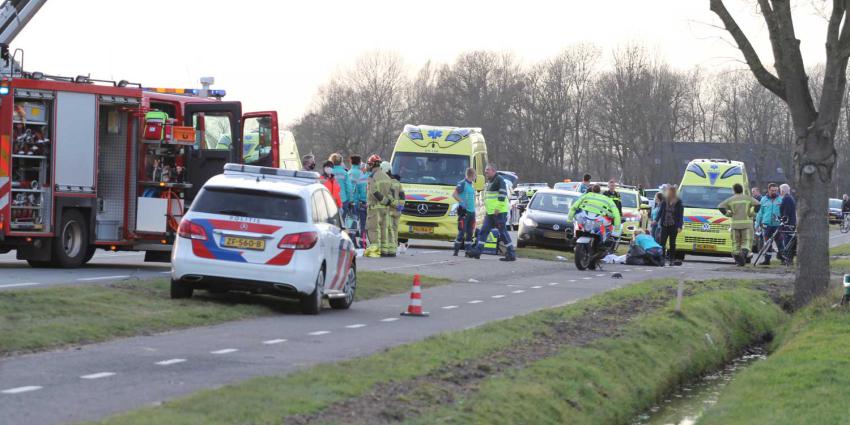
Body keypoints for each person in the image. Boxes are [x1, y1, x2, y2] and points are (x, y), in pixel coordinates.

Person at [469, 164, 515, 261]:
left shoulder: (499, 179)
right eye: (485, 170)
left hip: (499, 212)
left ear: (493, 171)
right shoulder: (490, 181)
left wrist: (497, 208)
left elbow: (503, 194)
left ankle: (511, 254)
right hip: (490, 213)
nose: (486, 172)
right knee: (483, 231)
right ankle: (477, 251)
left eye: (488, 170)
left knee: (503, 233)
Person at [567, 184, 622, 249]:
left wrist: (569, 220)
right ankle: (605, 242)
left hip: (584, 219)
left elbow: (573, 207)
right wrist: (617, 228)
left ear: (592, 190)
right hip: (599, 221)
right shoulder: (607, 199)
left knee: (578, 223)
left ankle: (574, 236)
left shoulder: (586, 196)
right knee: (607, 227)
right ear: (600, 191)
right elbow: (616, 214)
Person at [719, 183, 760, 266]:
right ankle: (743, 254)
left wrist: (728, 214)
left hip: (735, 225)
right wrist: (753, 213)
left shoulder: (731, 199)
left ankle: (739, 261)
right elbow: (758, 204)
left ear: (734, 190)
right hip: (747, 225)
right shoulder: (748, 198)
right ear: (742, 189)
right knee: (746, 242)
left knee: (735, 243)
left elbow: (720, 206)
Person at [365, 155, 394, 258]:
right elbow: (392, 192)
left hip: (374, 208)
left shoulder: (372, 177)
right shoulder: (387, 176)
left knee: (373, 229)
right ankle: (384, 251)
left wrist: (383, 200)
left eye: (369, 164)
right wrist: (387, 202)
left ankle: (374, 251)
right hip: (385, 209)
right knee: (383, 230)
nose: (368, 166)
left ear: (372, 164)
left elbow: (373, 192)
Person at [656, 185, 684, 266]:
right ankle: (662, 259)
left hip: (674, 225)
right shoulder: (665, 201)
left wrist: (680, 226)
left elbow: (680, 215)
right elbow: (660, 212)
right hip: (665, 224)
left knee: (672, 243)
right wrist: (656, 220)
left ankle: (672, 259)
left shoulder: (678, 202)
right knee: (662, 242)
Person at [756, 183, 783, 265]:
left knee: (780, 242)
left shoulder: (781, 199)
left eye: (775, 190)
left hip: (777, 225)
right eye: (772, 190)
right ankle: (767, 260)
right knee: (767, 243)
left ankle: (783, 259)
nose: (774, 192)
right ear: (768, 190)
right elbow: (760, 213)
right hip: (766, 225)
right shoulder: (763, 200)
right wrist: (757, 224)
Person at [452, 168, 477, 256]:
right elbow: (454, 194)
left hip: (472, 212)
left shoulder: (471, 185)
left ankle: (468, 251)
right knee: (462, 232)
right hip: (464, 212)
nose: (476, 176)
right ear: (472, 175)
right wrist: (461, 202)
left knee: (470, 232)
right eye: (475, 174)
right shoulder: (462, 183)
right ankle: (456, 251)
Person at [381, 161, 403, 257]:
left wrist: (394, 205)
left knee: (387, 231)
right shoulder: (397, 183)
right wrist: (400, 208)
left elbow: (387, 198)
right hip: (397, 211)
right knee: (394, 230)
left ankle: (386, 250)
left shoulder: (386, 183)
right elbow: (402, 197)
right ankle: (393, 249)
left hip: (389, 210)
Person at [348, 155, 369, 247]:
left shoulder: (348, 173)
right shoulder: (361, 174)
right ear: (359, 162)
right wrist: (364, 201)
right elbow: (362, 189)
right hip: (359, 202)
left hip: (349, 202)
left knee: (352, 222)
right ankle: (362, 241)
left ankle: (352, 241)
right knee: (362, 224)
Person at [329, 153, 353, 219]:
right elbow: (349, 188)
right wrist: (350, 200)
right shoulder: (345, 173)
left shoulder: (329, 173)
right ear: (341, 162)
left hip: (331, 200)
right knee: (342, 223)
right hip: (343, 200)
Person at [778, 183, 796, 264]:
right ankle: (788, 258)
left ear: (782, 190)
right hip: (791, 222)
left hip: (788, 223)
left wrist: (783, 219)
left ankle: (788, 258)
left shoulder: (786, 198)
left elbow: (787, 211)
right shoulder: (789, 198)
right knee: (789, 240)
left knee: (787, 241)